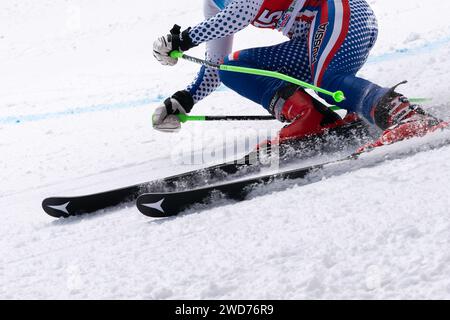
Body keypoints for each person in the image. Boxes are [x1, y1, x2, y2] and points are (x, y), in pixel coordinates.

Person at [152, 0, 447, 150]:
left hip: (342, 12)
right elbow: (213, 66)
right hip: (309, 41)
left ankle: (407, 116)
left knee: (327, 79)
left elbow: (240, 13)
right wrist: (184, 100)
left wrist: (184, 38)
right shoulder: (214, 2)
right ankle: (312, 117)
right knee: (231, 68)